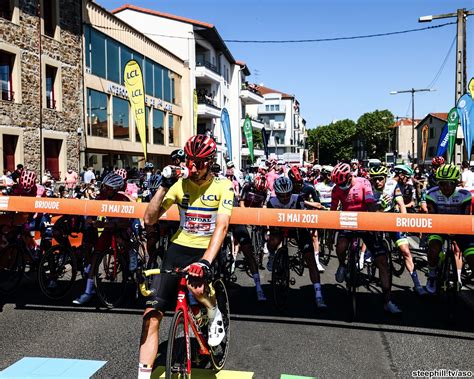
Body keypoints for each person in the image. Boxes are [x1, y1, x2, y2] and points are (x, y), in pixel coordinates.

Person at [139, 135, 234, 379]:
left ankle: (213, 312)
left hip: (208, 249)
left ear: (210, 162)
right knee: (150, 317)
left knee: (199, 291)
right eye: (191, 161)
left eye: (200, 162)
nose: (194, 167)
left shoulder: (224, 186)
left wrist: (205, 261)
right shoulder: (179, 185)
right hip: (178, 249)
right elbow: (149, 219)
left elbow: (222, 227)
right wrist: (163, 185)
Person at [330, 162, 401, 314]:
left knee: (382, 261)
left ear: (350, 177)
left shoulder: (364, 183)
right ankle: (342, 264)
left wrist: (380, 206)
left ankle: (388, 300)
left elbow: (370, 206)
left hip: (365, 221)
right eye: (338, 184)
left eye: (343, 183)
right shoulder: (336, 189)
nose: (341, 187)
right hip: (347, 221)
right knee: (341, 246)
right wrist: (330, 235)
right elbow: (332, 212)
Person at [266, 176, 327, 309]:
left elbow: (303, 219)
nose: (285, 198)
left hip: (297, 228)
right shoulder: (271, 202)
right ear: (276, 194)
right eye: (281, 195)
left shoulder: (297, 199)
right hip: (279, 227)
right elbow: (269, 223)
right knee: (272, 241)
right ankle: (272, 257)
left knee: (310, 259)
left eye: (287, 194)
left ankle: (318, 294)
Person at [72, 172, 132, 305]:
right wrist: (90, 219)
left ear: (114, 189)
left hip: (122, 228)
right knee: (95, 257)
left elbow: (127, 223)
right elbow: (92, 212)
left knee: (128, 255)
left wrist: (106, 224)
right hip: (108, 229)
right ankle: (88, 292)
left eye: (107, 187)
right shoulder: (101, 197)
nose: (104, 189)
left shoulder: (123, 199)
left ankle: (133, 279)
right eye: (104, 186)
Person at [369, 165, 426, 295]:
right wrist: (379, 207)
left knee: (406, 251)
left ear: (385, 178)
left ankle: (417, 284)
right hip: (376, 219)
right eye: (374, 179)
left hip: (391, 219)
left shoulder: (392, 185)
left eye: (379, 179)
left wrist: (404, 222)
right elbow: (369, 209)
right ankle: (365, 257)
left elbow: (401, 204)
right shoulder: (369, 189)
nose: (377, 182)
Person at [424, 164, 474, 294]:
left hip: (460, 228)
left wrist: (457, 234)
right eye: (442, 183)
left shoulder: (465, 195)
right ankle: (432, 275)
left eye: (449, 183)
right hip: (438, 227)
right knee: (433, 249)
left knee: (472, 257)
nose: (445, 187)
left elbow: (466, 218)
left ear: (456, 182)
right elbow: (432, 217)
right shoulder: (431, 194)